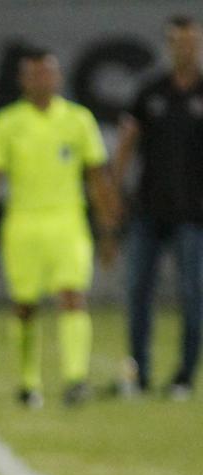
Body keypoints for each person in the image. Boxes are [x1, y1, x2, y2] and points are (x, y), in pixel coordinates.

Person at [0, 48, 120, 408]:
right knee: (24, 305)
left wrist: (109, 228)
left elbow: (98, 179)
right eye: (34, 74)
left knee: (72, 296)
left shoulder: (79, 120)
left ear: (58, 77)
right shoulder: (7, 122)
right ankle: (28, 382)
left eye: (47, 73)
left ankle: (75, 379)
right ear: (23, 80)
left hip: (68, 222)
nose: (42, 80)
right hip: (23, 223)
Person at [113, 15, 203, 400]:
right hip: (149, 210)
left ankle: (183, 376)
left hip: (195, 214)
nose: (182, 48)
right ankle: (139, 373)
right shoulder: (150, 91)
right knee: (137, 292)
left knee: (192, 294)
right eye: (175, 41)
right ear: (168, 45)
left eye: (188, 41)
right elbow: (126, 143)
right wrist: (115, 193)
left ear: (197, 44)